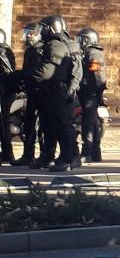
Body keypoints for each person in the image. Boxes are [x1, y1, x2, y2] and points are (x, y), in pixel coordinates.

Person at [30, 16, 83, 172]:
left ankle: (69, 157)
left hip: (61, 90)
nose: (40, 32)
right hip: (50, 90)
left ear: (51, 28)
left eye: (43, 28)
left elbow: (74, 71)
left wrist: (71, 89)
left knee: (63, 125)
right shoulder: (54, 44)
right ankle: (48, 155)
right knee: (48, 125)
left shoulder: (61, 45)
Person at [13, 23, 44, 167]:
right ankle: (28, 154)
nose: (28, 36)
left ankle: (44, 155)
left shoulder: (39, 50)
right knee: (29, 124)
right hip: (31, 92)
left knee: (41, 126)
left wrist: (23, 75)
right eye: (27, 33)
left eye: (31, 33)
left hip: (40, 92)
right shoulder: (30, 51)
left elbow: (37, 72)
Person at [76, 28, 107, 163]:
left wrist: (97, 91)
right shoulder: (87, 53)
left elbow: (98, 75)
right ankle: (95, 152)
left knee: (88, 123)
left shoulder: (94, 54)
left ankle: (88, 151)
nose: (79, 43)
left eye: (81, 40)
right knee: (92, 122)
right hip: (86, 92)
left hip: (91, 93)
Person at [0, 28, 16, 165]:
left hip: (4, 92)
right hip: (4, 91)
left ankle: (7, 152)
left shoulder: (3, 52)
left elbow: (7, 72)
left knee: (3, 123)